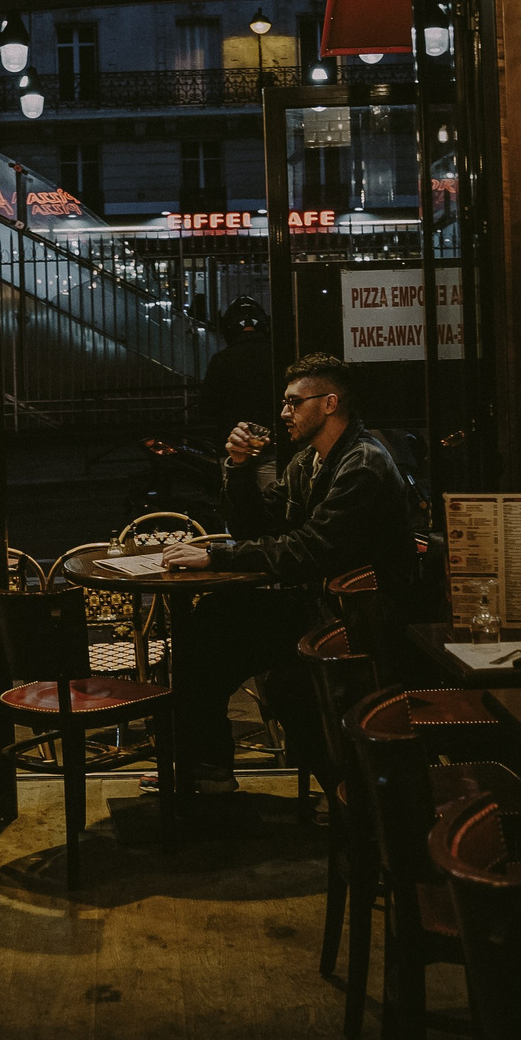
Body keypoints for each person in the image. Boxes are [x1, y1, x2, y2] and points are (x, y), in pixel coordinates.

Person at [161, 353, 420, 791]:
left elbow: (309, 548)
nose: (284, 412)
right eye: (285, 403)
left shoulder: (361, 463)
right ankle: (207, 771)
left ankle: (353, 796)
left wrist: (217, 558)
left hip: (361, 618)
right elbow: (258, 528)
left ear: (330, 403)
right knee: (205, 629)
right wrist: (239, 468)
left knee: (287, 683)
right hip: (317, 605)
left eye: (294, 402)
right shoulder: (309, 460)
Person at [196, 296, 273, 446]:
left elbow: (207, 407)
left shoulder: (221, 359)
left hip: (234, 443)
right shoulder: (278, 356)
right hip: (273, 444)